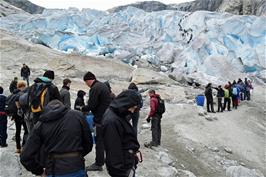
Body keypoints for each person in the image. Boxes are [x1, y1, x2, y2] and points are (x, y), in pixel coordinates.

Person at [20, 100, 93, 177]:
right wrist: (76, 156)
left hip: (54, 170)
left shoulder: (40, 124)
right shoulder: (78, 116)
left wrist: (39, 171)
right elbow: (88, 144)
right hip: (76, 168)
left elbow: (26, 157)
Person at [103, 90, 141, 177]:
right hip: (123, 169)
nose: (132, 111)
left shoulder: (118, 114)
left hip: (126, 162)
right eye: (132, 108)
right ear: (126, 103)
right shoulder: (112, 121)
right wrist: (120, 173)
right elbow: (113, 152)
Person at [82, 71, 111, 171]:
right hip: (108, 117)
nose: (87, 85)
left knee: (99, 141)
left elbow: (92, 105)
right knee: (107, 141)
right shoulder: (103, 86)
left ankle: (98, 164)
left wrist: (83, 109)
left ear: (89, 80)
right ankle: (109, 160)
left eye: (86, 82)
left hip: (100, 119)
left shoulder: (95, 88)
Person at [13, 81, 28, 153]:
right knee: (26, 130)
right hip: (24, 115)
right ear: (23, 86)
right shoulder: (25, 94)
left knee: (17, 131)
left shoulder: (14, 94)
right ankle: (24, 146)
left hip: (16, 116)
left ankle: (18, 148)